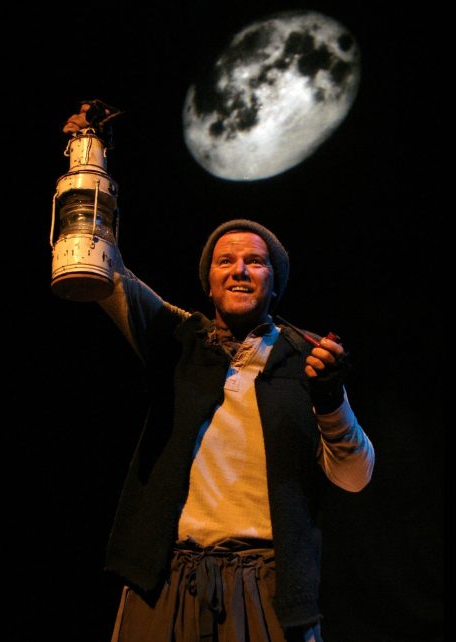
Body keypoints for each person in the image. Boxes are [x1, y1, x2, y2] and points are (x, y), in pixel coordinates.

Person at [63, 107, 375, 642]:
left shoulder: (307, 357)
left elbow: (355, 476)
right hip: (166, 580)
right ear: (208, 283)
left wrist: (330, 398)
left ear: (273, 283)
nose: (239, 269)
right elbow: (103, 267)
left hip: (265, 583)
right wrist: (89, 157)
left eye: (255, 262)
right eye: (225, 261)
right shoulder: (179, 339)